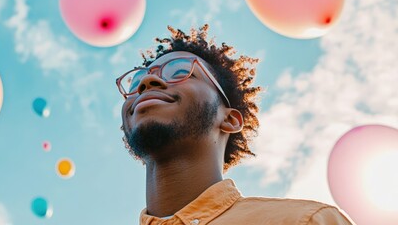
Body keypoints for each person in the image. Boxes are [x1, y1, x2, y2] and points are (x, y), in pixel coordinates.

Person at [117, 25, 354, 225]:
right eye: (136, 82)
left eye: (180, 72)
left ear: (229, 119)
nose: (147, 82)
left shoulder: (305, 221)